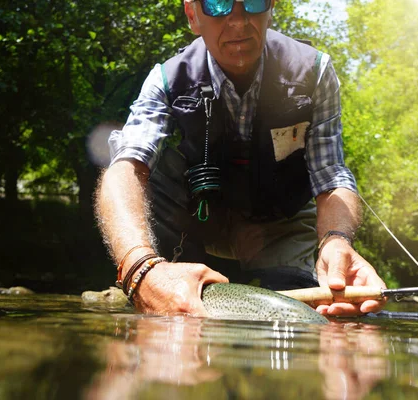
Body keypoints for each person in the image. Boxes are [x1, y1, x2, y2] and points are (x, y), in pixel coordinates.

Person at [95, 0, 386, 317]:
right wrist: (139, 267)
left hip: (279, 226)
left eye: (254, 1)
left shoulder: (314, 72)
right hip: (195, 224)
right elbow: (124, 167)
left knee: (296, 316)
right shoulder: (166, 79)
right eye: (216, 4)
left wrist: (336, 241)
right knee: (149, 172)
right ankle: (159, 276)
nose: (237, 20)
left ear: (271, 8)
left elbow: (330, 173)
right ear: (193, 16)